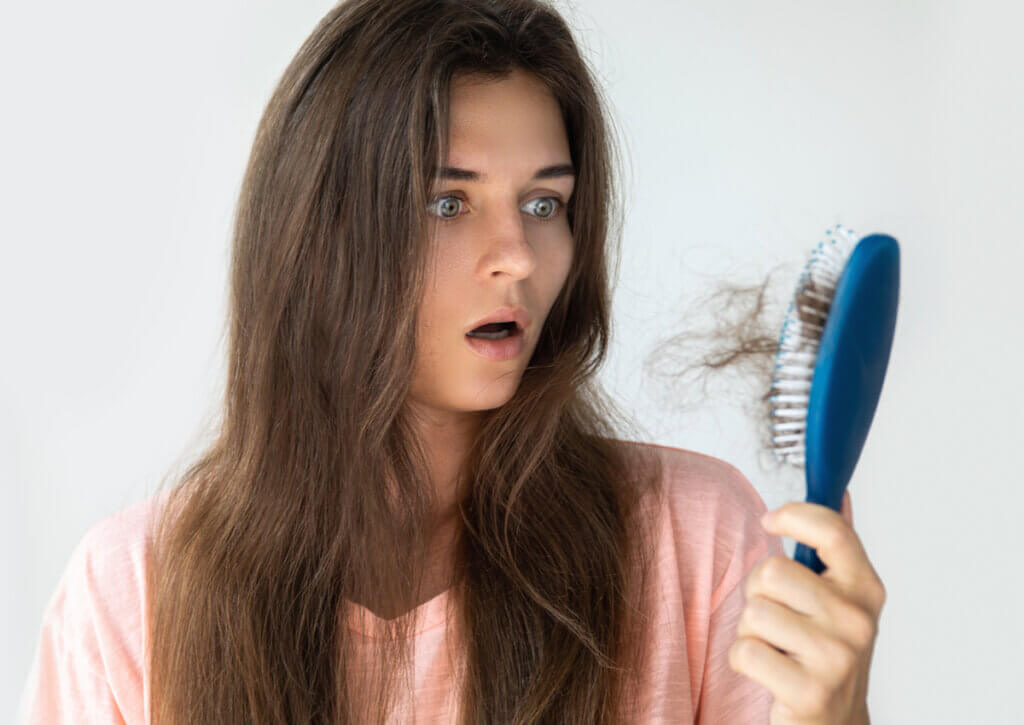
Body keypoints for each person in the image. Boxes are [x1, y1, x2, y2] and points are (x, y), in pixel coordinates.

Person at [16, 1, 884, 722]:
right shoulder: (134, 594)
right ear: (319, 239)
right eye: (447, 203)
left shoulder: (691, 542)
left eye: (544, 202)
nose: (518, 256)